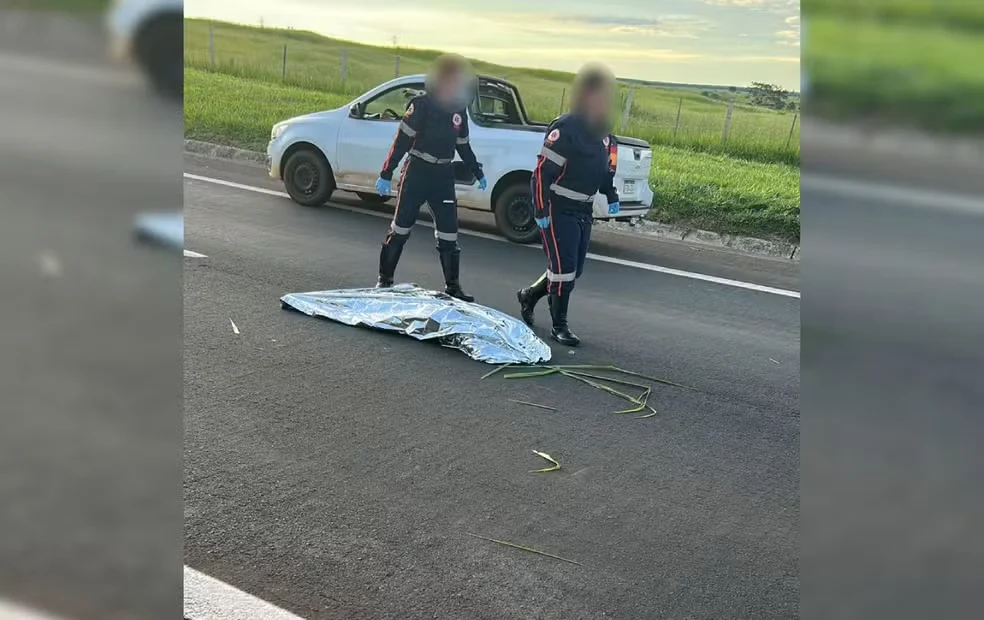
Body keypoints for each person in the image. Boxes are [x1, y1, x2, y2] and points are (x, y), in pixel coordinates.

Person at [516, 64, 620, 346]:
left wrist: (611, 194)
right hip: (558, 207)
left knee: (573, 270)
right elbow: (542, 174)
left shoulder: (603, 130)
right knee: (563, 270)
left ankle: (529, 295)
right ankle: (559, 326)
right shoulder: (566, 128)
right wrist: (540, 210)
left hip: (583, 210)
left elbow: (603, 168)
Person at [374, 54, 487, 302]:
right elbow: (401, 141)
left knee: (449, 234)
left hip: (443, 177)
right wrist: (386, 172)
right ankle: (385, 280)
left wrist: (477, 171)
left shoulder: (459, 111)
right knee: (401, 229)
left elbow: (463, 146)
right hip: (417, 172)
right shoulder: (421, 105)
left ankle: (453, 286)